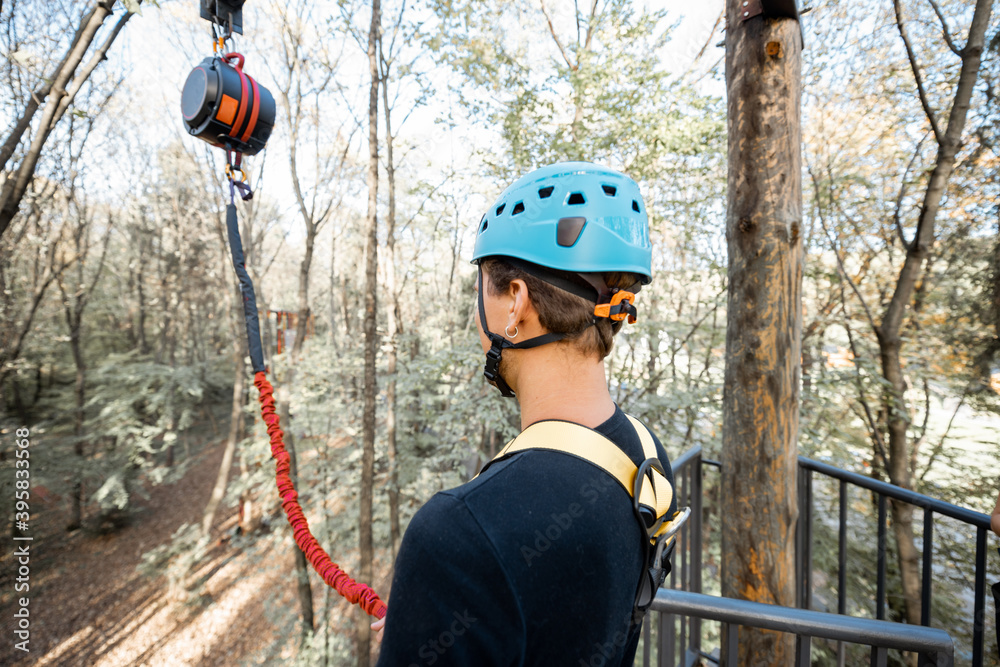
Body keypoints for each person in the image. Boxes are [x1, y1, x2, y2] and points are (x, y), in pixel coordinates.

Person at [373, 162, 677, 666]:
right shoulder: (644, 457)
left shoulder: (459, 534)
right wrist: (435, 617)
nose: (476, 317)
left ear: (515, 302)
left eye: (482, 292)